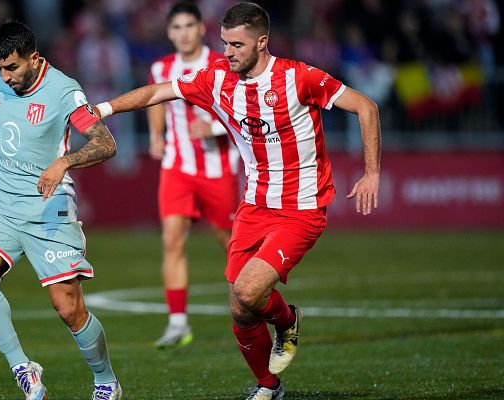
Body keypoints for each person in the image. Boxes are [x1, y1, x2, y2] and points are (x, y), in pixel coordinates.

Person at [93, 3, 380, 399]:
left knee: (248, 291)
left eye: (236, 45)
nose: (227, 52)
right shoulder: (216, 79)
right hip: (253, 206)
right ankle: (268, 386)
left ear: (262, 42)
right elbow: (158, 92)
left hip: (301, 209)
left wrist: (372, 172)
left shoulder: (299, 77)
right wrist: (103, 109)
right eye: (224, 43)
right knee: (239, 306)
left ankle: (287, 320)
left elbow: (366, 107)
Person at [0, 20, 122, 400]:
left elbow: (106, 143)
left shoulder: (64, 91)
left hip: (48, 209)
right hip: (1, 202)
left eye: (12, 68)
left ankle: (106, 380)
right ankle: (23, 367)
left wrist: (63, 163)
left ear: (34, 58)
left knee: (69, 310)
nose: (5, 76)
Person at [147, 1, 240, 349]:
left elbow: (240, 108)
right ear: (169, 33)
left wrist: (214, 126)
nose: (183, 33)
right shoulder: (161, 68)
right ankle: (177, 323)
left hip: (219, 168)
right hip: (177, 167)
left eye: (189, 26)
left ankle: (247, 310)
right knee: (172, 240)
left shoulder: (221, 64)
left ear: (201, 29)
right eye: (176, 27)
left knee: (230, 244)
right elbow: (155, 101)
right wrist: (157, 135)